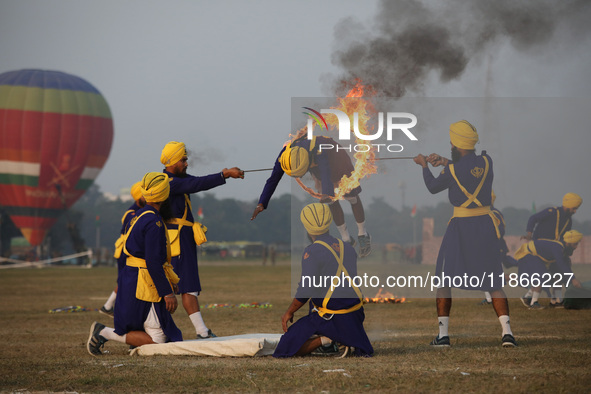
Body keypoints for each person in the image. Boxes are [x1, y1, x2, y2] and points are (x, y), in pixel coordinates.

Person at [414, 120, 517, 348]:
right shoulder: (487, 162)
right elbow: (470, 171)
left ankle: (443, 336)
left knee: (443, 278)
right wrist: (444, 160)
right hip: (485, 226)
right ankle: (507, 333)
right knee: (493, 280)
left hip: (460, 226)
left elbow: (433, 187)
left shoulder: (451, 171)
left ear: (455, 143)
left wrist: (424, 166)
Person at [87, 172, 182, 356]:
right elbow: (154, 262)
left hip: (132, 276)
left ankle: (117, 336)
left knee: (158, 331)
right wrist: (167, 292)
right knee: (159, 341)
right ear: (164, 196)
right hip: (144, 281)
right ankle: (104, 332)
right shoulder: (154, 222)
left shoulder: (139, 214)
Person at [161, 141, 244, 338]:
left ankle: (194, 331)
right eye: (183, 160)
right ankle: (202, 332)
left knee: (183, 287)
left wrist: (223, 174)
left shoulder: (174, 179)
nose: (186, 163)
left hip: (181, 239)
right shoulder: (170, 182)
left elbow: (197, 181)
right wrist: (224, 175)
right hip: (178, 240)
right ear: (172, 161)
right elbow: (196, 184)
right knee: (188, 287)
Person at [273, 203, 373, 358]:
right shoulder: (347, 247)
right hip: (355, 314)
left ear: (307, 227)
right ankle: (339, 336)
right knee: (316, 302)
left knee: (285, 349)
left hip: (332, 316)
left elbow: (305, 290)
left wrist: (289, 312)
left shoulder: (312, 251)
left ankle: (328, 339)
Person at [251, 135, 371, 257]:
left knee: (351, 197)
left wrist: (327, 193)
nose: (302, 177)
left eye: (302, 173)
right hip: (316, 164)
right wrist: (262, 203)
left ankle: (363, 234)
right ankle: (346, 239)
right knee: (330, 201)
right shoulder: (284, 157)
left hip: (336, 158)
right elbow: (273, 179)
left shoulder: (319, 149)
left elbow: (325, 170)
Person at [520, 193, 582, 306]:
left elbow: (566, 240)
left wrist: (565, 256)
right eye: (574, 208)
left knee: (558, 272)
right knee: (541, 275)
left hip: (554, 252)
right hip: (539, 250)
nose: (575, 211)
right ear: (568, 205)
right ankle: (530, 298)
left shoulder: (569, 221)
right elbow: (533, 218)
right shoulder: (552, 212)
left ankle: (556, 300)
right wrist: (529, 234)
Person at [100, 182, 146, 317]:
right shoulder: (131, 214)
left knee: (125, 280)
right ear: (138, 197)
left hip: (130, 250)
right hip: (126, 251)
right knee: (125, 280)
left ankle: (108, 306)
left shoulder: (139, 211)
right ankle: (110, 306)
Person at [515, 230, 583, 309]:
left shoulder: (562, 249)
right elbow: (562, 265)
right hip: (529, 255)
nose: (576, 247)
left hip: (536, 257)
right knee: (541, 276)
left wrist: (571, 278)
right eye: (575, 244)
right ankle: (534, 303)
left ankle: (555, 301)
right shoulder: (558, 248)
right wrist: (573, 279)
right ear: (568, 243)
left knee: (557, 274)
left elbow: (563, 267)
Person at [480, 191, 517, 305]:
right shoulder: (482, 213)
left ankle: (522, 279)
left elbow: (500, 230)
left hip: (495, 248)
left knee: (493, 275)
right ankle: (489, 299)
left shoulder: (494, 213)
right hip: (486, 248)